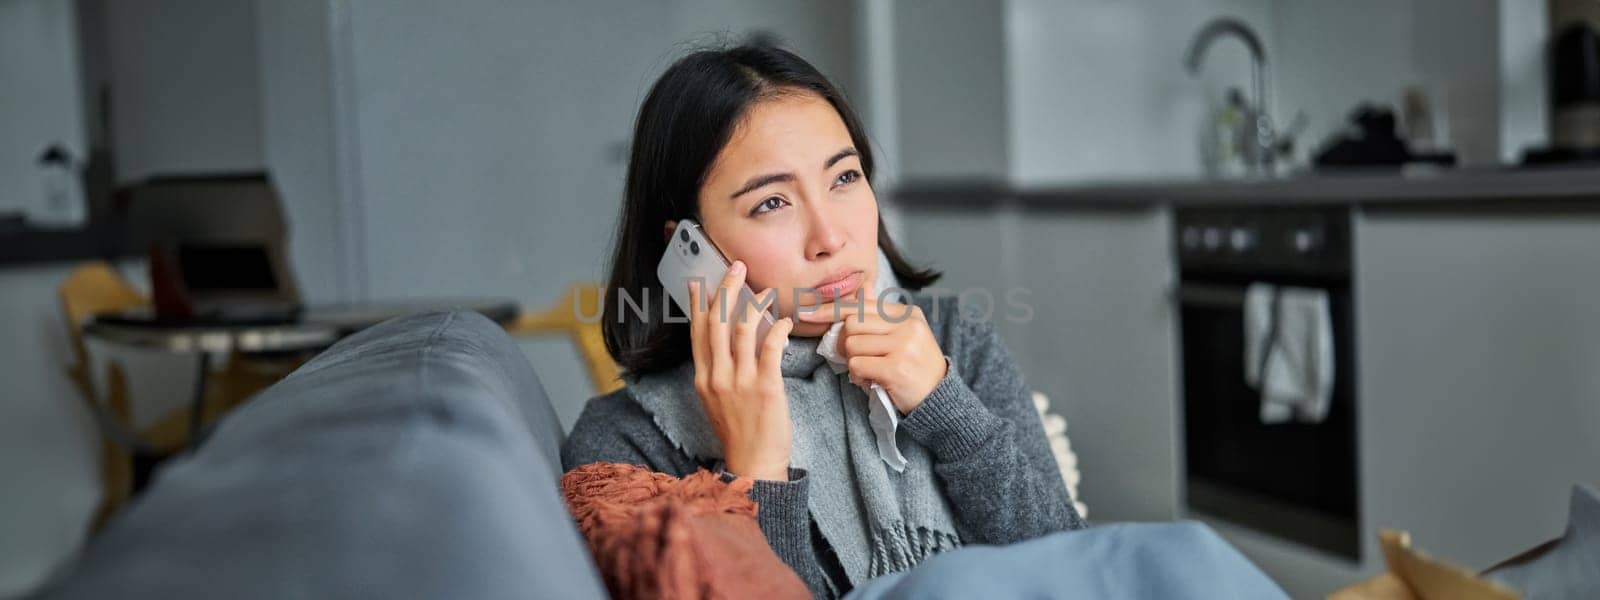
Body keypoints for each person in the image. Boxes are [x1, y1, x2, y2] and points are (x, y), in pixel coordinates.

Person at [560, 43, 1085, 599]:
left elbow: (1076, 569)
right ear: (689, 250)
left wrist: (946, 411)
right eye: (771, 203)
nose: (831, 238)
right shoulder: (624, 444)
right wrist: (756, 475)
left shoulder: (950, 338)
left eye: (844, 178)